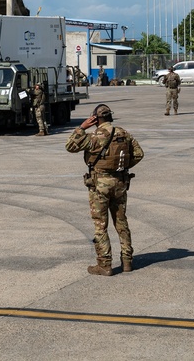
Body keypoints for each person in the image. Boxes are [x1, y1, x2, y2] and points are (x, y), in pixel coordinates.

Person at [65, 104, 144, 276]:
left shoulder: (94, 136)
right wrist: (121, 167)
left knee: (101, 225)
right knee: (121, 222)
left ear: (96, 119)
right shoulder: (123, 133)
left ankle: (105, 264)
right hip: (120, 183)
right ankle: (127, 261)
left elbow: (70, 146)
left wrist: (81, 128)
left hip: (99, 185)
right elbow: (138, 154)